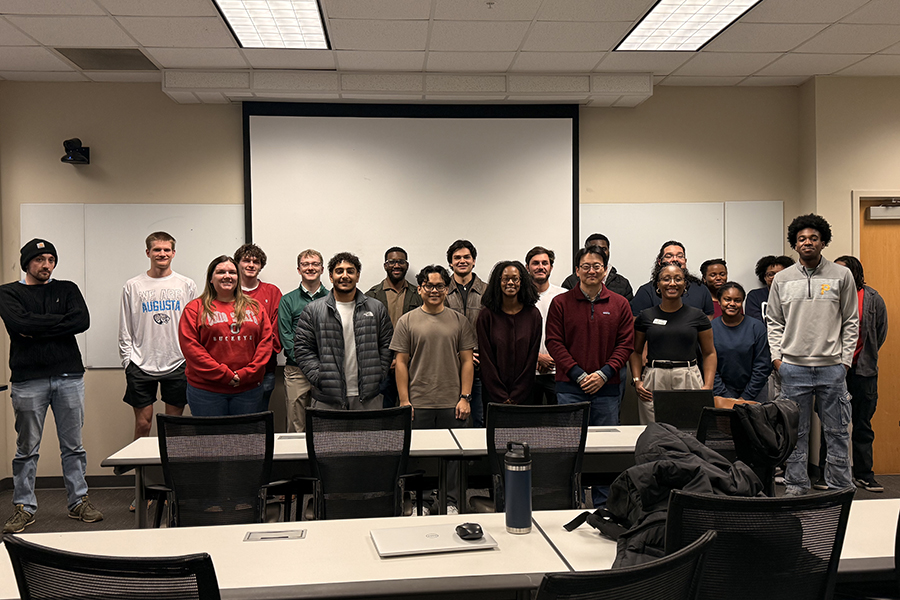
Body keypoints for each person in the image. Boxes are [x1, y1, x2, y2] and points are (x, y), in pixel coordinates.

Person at [0, 238, 102, 533]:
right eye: (39, 260)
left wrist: (35, 328)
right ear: (27, 263)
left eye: (51, 260)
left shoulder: (67, 289)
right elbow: (20, 324)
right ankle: (24, 506)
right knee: (27, 448)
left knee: (73, 446)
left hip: (69, 376)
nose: (46, 265)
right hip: (28, 379)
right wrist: (56, 323)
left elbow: (81, 321)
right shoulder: (8, 292)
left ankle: (78, 501)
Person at [766, 213, 858, 496]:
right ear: (795, 244)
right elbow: (774, 321)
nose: (807, 242)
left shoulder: (842, 276)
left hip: (832, 368)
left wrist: (844, 362)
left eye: (814, 238)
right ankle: (795, 488)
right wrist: (778, 360)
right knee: (795, 434)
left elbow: (851, 321)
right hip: (793, 368)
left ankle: (840, 490)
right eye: (802, 239)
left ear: (823, 242)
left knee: (838, 432)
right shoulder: (782, 279)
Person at [546, 245, 634, 507]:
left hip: (607, 390)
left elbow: (626, 344)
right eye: (586, 266)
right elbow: (554, 342)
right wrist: (579, 375)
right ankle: (570, 503)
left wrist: (604, 374)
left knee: (605, 451)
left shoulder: (620, 304)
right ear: (577, 270)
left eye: (597, 266)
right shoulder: (560, 303)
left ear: (605, 270)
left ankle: (603, 506)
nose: (591, 271)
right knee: (569, 449)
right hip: (569, 389)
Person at [118, 231, 196, 512]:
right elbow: (125, 327)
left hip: (177, 362)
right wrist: (128, 362)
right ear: (148, 252)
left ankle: (171, 486)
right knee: (143, 424)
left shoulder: (186, 284)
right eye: (156, 249)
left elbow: (192, 325)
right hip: (141, 364)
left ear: (173, 253)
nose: (162, 254)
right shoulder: (133, 286)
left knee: (172, 428)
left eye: (166, 250)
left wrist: (189, 358)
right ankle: (143, 490)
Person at [392, 265, 476, 514]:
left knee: (454, 458)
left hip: (453, 402)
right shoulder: (407, 321)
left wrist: (465, 397)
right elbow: (401, 363)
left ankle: (451, 502)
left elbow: (467, 361)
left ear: (447, 289)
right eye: (429, 286)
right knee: (420, 456)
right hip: (418, 402)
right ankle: (424, 502)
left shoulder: (459, 321)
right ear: (420, 289)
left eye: (440, 286)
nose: (434, 290)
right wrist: (404, 401)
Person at [814, 256, 887, 493]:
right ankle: (826, 474)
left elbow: (879, 333)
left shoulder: (873, 298)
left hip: (863, 371)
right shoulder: (826, 294)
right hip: (833, 369)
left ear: (855, 272)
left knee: (862, 423)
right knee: (830, 424)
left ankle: (864, 475)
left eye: (842, 270)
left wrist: (863, 356)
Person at [294, 252, 393, 410]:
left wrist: (379, 375)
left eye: (350, 271)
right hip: (327, 398)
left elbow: (386, 345)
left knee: (369, 429)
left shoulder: (376, 308)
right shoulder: (313, 310)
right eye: (339, 271)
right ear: (331, 276)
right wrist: (320, 378)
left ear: (357, 276)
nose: (345, 276)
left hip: (368, 398)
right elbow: (303, 349)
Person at [178, 255, 274, 416]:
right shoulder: (194, 308)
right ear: (211, 278)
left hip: (248, 390)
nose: (227, 276)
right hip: (206, 392)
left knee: (245, 433)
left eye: (232, 272)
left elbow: (265, 344)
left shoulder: (255, 307)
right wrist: (225, 375)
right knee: (212, 433)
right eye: (221, 272)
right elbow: (191, 349)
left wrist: (245, 374)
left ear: (238, 277)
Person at [630, 261, 717, 424]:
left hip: (688, 376)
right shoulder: (646, 316)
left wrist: (708, 386)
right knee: (654, 431)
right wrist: (637, 380)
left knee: (688, 429)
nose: (672, 283)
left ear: (685, 285)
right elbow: (636, 351)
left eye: (678, 279)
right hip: (655, 377)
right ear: (658, 285)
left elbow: (709, 353)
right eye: (666, 279)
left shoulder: (698, 316)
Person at [476, 260, 542, 406]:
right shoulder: (486, 316)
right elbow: (486, 360)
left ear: (522, 282)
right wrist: (500, 396)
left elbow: (532, 360)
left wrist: (517, 395)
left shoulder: (533, 315)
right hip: (493, 397)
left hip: (525, 396)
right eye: (506, 279)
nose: (510, 283)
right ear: (498, 282)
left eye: (515, 279)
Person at [366, 246, 423, 407]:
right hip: (382, 367)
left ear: (407, 265)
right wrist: (386, 359)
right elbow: (367, 334)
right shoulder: (371, 296)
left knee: (412, 413)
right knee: (384, 413)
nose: (396, 265)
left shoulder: (418, 295)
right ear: (385, 265)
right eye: (392, 262)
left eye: (401, 262)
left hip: (413, 365)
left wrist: (404, 358)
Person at [278, 249, 328, 432]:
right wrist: (307, 363)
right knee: (296, 426)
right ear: (298, 269)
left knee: (324, 425)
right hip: (296, 371)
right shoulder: (287, 300)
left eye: (315, 264)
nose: (310, 268)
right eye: (305, 264)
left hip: (326, 370)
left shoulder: (333, 298)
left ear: (322, 269)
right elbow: (286, 337)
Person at [234, 243, 282, 412]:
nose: (251, 265)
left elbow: (276, 332)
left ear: (261, 266)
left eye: (256, 262)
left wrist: (258, 359)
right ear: (237, 263)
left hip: (264, 370)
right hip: (233, 371)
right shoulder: (228, 291)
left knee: (259, 418)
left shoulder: (272, 292)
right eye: (246, 261)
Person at [445, 239, 487, 426]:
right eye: (457, 258)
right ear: (451, 263)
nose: (462, 261)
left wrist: (479, 354)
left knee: (479, 419)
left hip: (480, 365)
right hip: (449, 365)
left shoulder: (487, 291)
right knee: (451, 419)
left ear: (474, 261)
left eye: (467, 257)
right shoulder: (441, 291)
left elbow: (492, 328)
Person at [711, 282, 772, 405]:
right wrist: (726, 397)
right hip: (721, 392)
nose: (732, 304)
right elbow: (708, 366)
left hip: (755, 391)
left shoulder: (757, 328)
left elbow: (763, 365)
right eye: (727, 299)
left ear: (742, 302)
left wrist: (745, 397)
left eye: (737, 300)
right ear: (719, 301)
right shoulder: (710, 328)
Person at [630, 241, 714, 318]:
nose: (675, 259)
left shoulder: (701, 289)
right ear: (659, 262)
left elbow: (708, 320)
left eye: (680, 256)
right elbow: (637, 323)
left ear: (685, 261)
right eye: (669, 256)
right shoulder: (646, 291)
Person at [525, 246, 566, 405]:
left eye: (545, 263)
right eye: (535, 263)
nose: (540, 267)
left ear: (551, 267)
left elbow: (571, 333)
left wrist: (555, 357)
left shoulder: (563, 296)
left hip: (558, 370)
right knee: (529, 417)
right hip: (528, 371)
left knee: (559, 417)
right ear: (527, 267)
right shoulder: (519, 298)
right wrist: (536, 357)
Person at [562, 233, 634, 300]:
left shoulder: (623, 284)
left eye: (604, 249)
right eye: (595, 248)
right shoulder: (570, 282)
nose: (600, 252)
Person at [745, 255, 795, 323]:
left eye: (781, 274)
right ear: (764, 277)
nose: (776, 277)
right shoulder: (755, 296)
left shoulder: (795, 295)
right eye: (771, 274)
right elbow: (755, 324)